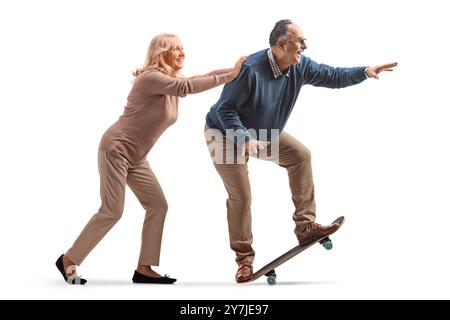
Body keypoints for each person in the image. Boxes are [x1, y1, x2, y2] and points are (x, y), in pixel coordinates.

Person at [204, 19, 397, 283]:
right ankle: (244, 260)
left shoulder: (299, 66)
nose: (305, 46)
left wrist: (364, 71)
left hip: (263, 132)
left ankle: (305, 227)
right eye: (300, 40)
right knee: (241, 197)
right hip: (224, 135)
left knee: (300, 156)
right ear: (282, 44)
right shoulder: (250, 69)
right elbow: (226, 109)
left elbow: (333, 75)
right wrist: (243, 138)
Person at [56, 33, 246, 285]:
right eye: (175, 49)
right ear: (161, 53)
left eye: (183, 48)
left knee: (157, 205)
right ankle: (69, 259)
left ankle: (144, 268)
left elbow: (200, 77)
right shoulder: (150, 79)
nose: (182, 53)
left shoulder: (169, 82)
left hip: (137, 157)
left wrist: (238, 69)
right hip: (116, 149)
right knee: (112, 211)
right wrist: (232, 74)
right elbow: (187, 87)